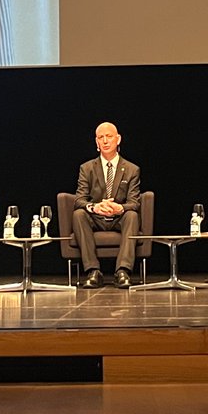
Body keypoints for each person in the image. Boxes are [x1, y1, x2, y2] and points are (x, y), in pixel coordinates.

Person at [72, 122, 142, 289]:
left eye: (109, 136)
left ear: (118, 139)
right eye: (100, 137)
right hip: (96, 218)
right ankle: (93, 271)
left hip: (119, 217)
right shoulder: (86, 168)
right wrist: (95, 207)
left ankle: (123, 271)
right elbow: (79, 199)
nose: (105, 141)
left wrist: (120, 208)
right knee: (78, 214)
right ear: (96, 142)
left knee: (132, 215)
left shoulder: (132, 169)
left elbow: (134, 203)